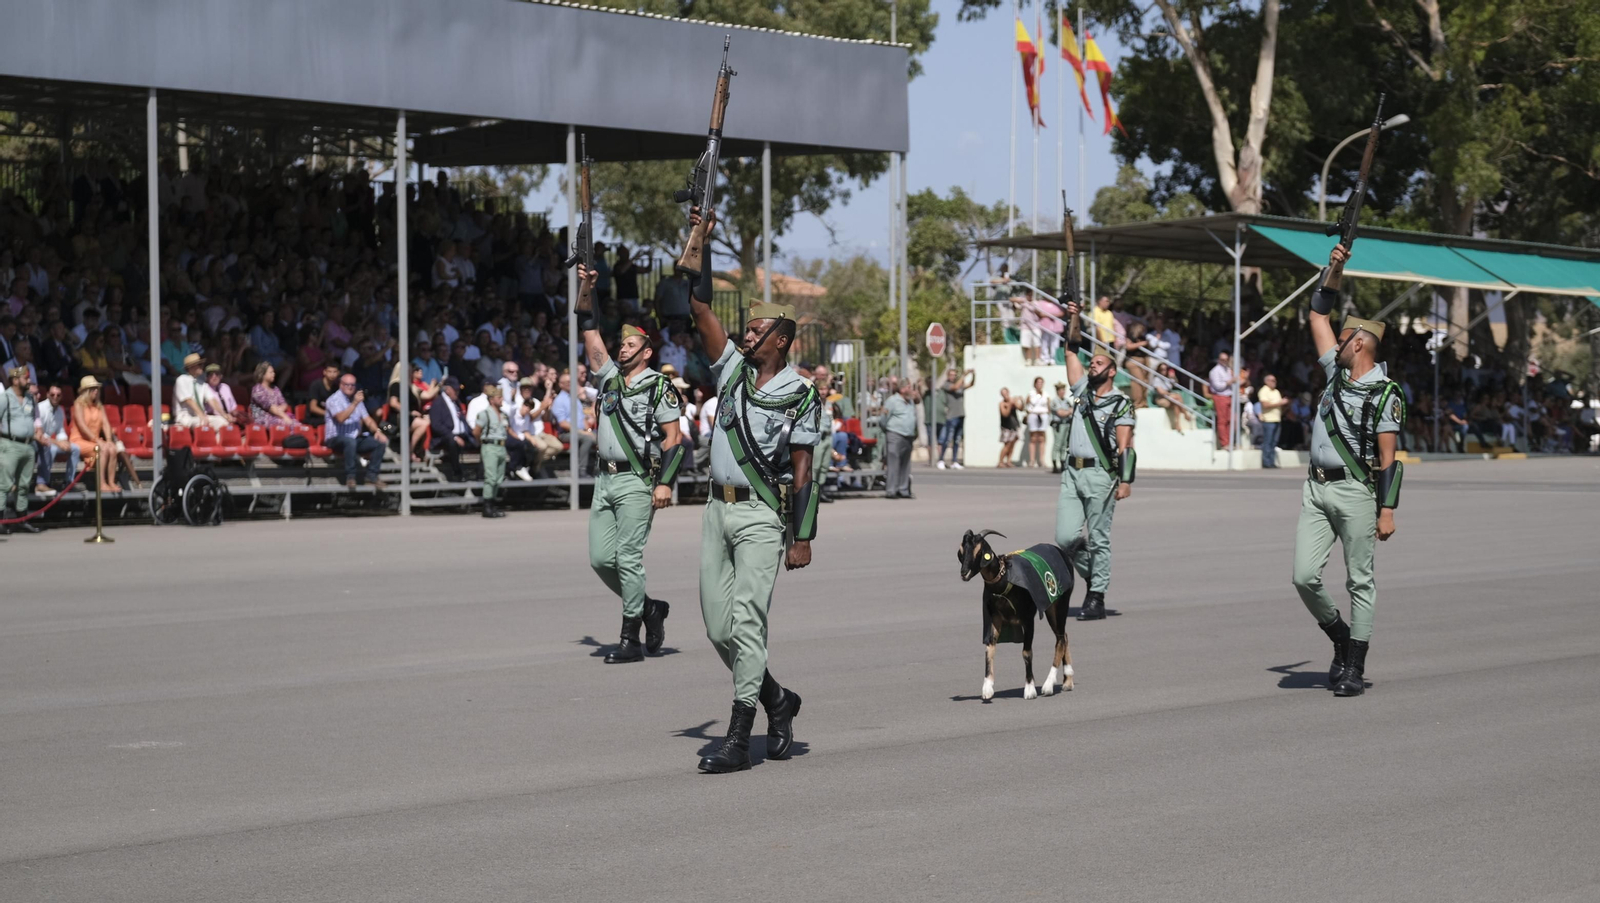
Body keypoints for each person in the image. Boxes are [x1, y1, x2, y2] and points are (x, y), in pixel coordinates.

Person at [686, 209, 817, 774]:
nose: (747, 334)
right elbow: (700, 309)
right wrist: (702, 242)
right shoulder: (731, 371)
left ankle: (739, 737)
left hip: (763, 516)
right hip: (715, 510)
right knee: (719, 628)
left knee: (747, 622)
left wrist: (801, 536)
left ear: (782, 339)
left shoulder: (801, 394)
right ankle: (778, 699)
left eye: (759, 330)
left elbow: (803, 470)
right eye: (748, 328)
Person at [1293, 243, 1402, 698]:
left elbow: (1389, 458)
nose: (1334, 345)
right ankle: (1339, 635)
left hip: (1356, 492)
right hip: (1315, 490)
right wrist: (1334, 269)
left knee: (1360, 580)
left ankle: (1355, 666)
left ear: (1358, 342)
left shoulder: (1385, 393)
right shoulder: (1334, 375)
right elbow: (1317, 314)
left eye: (1342, 340)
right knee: (1303, 576)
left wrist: (1387, 510)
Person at [574, 266, 684, 663]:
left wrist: (665, 483)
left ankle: (630, 639)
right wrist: (588, 287)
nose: (622, 349)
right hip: (604, 479)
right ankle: (649, 608)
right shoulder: (609, 379)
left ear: (647, 351)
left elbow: (674, 438)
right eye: (621, 344)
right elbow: (589, 329)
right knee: (601, 559)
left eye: (630, 344)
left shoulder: (659, 387)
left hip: (637, 480)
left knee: (628, 558)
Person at [1058, 301, 1138, 622]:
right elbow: (1070, 351)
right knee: (1065, 538)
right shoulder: (1081, 392)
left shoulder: (1121, 403)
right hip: (1071, 473)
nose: (1092, 366)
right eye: (1091, 362)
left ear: (1112, 370)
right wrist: (1074, 317)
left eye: (1099, 363)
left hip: (1100, 475)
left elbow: (1126, 445)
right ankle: (1094, 577)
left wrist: (1126, 480)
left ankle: (1097, 597)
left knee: (1099, 538)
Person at [324, 371, 388, 491]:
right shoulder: (333, 400)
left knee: (379, 443)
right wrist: (354, 404)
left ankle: (372, 475)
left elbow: (367, 419)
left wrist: (377, 431)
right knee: (350, 441)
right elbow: (341, 418)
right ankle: (351, 476)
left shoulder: (357, 401)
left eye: (352, 385)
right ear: (341, 385)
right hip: (336, 438)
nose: (350, 387)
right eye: (347, 384)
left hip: (354, 438)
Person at [1, 366, 41, 533]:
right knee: (3, 484)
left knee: (24, 485)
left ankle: (21, 519)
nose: (29, 381)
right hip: (10, 444)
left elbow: (34, 419)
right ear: (15, 380)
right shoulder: (5, 397)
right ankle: (0, 521)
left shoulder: (30, 398)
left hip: (28, 445)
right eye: (25, 378)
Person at [70, 375, 122, 495]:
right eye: (93, 389)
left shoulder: (99, 406)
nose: (96, 391)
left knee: (112, 448)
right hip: (79, 440)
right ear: (86, 391)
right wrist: (96, 440)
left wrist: (108, 439)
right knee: (101, 449)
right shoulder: (79, 405)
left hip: (94, 441)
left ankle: (111, 482)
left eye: (97, 388)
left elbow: (106, 424)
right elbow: (82, 426)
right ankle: (102, 483)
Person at [32, 382, 79, 497]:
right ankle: (45, 482)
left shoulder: (60, 410)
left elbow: (60, 430)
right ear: (48, 394)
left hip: (50, 441)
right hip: (39, 442)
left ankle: (69, 482)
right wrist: (58, 442)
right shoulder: (40, 408)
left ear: (61, 396)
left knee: (75, 449)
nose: (55, 397)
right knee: (51, 449)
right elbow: (39, 433)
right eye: (52, 394)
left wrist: (64, 441)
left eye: (58, 395)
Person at [473, 382, 510, 518]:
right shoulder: (485, 414)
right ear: (492, 399)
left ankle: (493, 504)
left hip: (501, 446)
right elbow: (476, 431)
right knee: (491, 477)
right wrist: (482, 442)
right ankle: (487, 506)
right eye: (499, 397)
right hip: (490, 446)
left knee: (499, 478)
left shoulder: (503, 415)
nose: (501, 400)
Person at [549, 370, 595, 477]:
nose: (570, 384)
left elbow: (582, 418)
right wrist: (583, 433)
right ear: (561, 384)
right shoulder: (559, 401)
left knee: (603, 438)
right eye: (567, 382)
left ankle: (608, 469)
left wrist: (588, 430)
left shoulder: (574, 398)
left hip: (581, 431)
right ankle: (581, 470)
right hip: (566, 433)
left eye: (571, 381)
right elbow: (563, 423)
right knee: (587, 439)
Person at [881, 377, 920, 499]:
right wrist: (888, 431)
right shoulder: (892, 401)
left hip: (908, 436)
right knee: (893, 463)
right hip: (895, 434)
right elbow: (883, 419)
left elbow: (918, 400)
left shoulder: (910, 401)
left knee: (905, 464)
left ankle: (903, 490)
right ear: (902, 389)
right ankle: (891, 490)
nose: (911, 389)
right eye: (909, 387)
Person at [428, 376, 472, 481]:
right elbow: (436, 425)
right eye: (455, 390)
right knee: (453, 442)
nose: (457, 392)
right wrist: (454, 437)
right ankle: (457, 472)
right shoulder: (438, 403)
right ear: (447, 389)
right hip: (445, 437)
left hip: (461, 434)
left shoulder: (456, 402)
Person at [174, 353, 228, 429]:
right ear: (191, 367)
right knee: (202, 423)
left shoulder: (202, 383)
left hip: (200, 416)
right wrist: (201, 415)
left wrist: (224, 415)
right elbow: (189, 400)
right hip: (185, 417)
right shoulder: (181, 380)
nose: (202, 366)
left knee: (223, 422)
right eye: (199, 364)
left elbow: (212, 400)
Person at [937, 367, 975, 469]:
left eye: (954, 375)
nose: (953, 377)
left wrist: (973, 375)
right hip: (951, 416)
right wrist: (964, 375)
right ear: (948, 376)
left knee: (957, 440)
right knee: (947, 439)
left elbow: (971, 384)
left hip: (960, 415)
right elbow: (955, 387)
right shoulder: (946, 385)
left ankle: (954, 461)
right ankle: (941, 460)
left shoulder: (960, 384)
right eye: (951, 375)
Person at [249, 362, 299, 428]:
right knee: (289, 424)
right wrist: (284, 416)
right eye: (271, 372)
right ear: (263, 374)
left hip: (277, 415)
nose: (274, 374)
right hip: (263, 420)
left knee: (298, 425)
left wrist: (278, 410)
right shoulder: (257, 390)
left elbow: (284, 404)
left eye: (274, 372)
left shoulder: (275, 388)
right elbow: (270, 407)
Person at [1258, 373, 1287, 468]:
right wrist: (1280, 403)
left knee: (1274, 442)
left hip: (1277, 419)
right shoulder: (1264, 391)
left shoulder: (1276, 391)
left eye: (1275, 380)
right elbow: (1265, 405)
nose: (1274, 382)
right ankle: (1266, 462)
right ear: (1266, 381)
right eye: (1272, 380)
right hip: (1268, 420)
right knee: (1268, 441)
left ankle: (1272, 461)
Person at [302, 362, 341, 428]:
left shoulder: (336, 387)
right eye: (329, 372)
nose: (332, 374)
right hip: (314, 419)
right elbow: (313, 408)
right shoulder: (316, 385)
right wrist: (329, 414)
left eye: (335, 372)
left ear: (338, 373)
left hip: (329, 417)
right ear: (324, 372)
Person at [1208, 351, 1234, 450]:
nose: (1224, 361)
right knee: (1222, 421)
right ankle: (1224, 443)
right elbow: (1217, 386)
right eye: (1222, 359)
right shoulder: (1215, 371)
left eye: (1226, 360)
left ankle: (1229, 441)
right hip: (1220, 396)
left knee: (1229, 420)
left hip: (1229, 396)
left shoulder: (1228, 370)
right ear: (1219, 360)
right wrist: (1229, 382)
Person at [1048, 381, 1074, 473]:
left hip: (1066, 424)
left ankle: (1063, 463)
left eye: (1063, 390)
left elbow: (1071, 410)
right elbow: (1061, 413)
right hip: (1058, 425)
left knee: (1064, 445)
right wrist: (1068, 411)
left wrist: (1067, 412)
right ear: (1057, 391)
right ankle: (1055, 464)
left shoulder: (1066, 401)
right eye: (1061, 390)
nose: (1063, 392)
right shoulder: (1055, 401)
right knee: (1057, 444)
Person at [1025, 376, 1050, 468]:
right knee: (1033, 437)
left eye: (1041, 383)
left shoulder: (1046, 394)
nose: (1040, 384)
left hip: (1043, 415)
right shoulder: (1031, 394)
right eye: (1038, 383)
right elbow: (1026, 404)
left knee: (1042, 438)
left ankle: (1041, 460)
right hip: (1034, 415)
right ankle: (1032, 460)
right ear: (1035, 384)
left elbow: (1048, 405)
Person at [998, 388, 1020, 467]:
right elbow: (1005, 414)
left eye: (1006, 393)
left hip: (1014, 426)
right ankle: (1000, 462)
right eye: (1003, 394)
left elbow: (1020, 408)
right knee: (1007, 445)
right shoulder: (1002, 404)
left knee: (1012, 444)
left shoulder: (1013, 401)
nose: (1005, 395)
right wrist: (1010, 405)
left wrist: (1018, 401)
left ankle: (1008, 461)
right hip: (1006, 426)